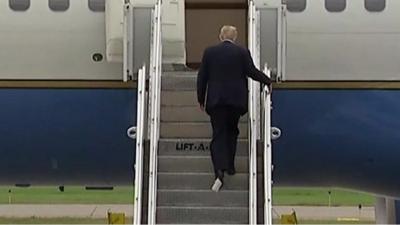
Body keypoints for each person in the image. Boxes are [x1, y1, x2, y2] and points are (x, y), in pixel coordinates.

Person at [197, 25, 272, 192]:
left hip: (216, 102)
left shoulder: (210, 52)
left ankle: (219, 171)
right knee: (232, 131)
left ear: (220, 36)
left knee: (218, 135)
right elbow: (252, 72)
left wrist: (201, 98)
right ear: (235, 37)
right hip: (235, 102)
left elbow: (202, 76)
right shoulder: (242, 52)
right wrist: (268, 81)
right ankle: (230, 165)